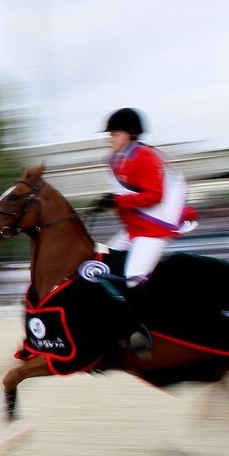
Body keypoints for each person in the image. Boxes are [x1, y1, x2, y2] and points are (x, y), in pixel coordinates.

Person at [88, 107, 198, 355]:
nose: (110, 138)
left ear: (129, 134)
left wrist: (118, 202)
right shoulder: (117, 159)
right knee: (104, 258)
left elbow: (155, 195)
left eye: (114, 133)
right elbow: (126, 194)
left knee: (133, 274)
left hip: (153, 229)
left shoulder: (146, 157)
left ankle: (144, 331)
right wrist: (108, 202)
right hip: (134, 229)